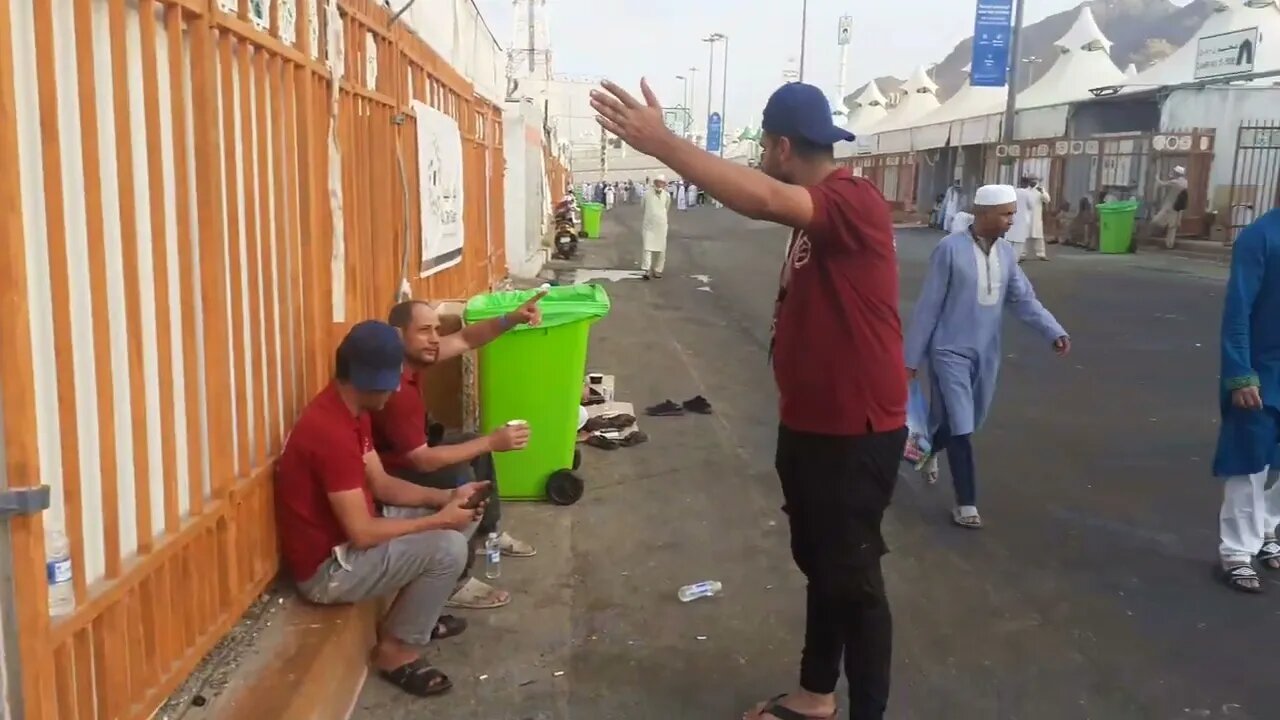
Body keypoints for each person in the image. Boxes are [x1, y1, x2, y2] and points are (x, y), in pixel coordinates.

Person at [592, 79, 907, 720]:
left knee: (854, 580)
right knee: (822, 565)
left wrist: (663, 144)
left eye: (762, 145)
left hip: (855, 429)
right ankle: (816, 694)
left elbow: (760, 198)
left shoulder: (851, 200)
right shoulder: (819, 207)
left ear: (782, 146)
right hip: (814, 425)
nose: (761, 157)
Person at [276, 321, 490, 698]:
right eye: (392, 379)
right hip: (329, 570)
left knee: (464, 516)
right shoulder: (329, 433)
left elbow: (383, 485)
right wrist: (439, 520)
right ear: (371, 379)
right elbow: (362, 532)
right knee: (448, 546)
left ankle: (418, 616)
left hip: (353, 541)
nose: (396, 388)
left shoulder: (350, 411)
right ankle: (396, 653)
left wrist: (447, 499)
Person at [904, 185, 1071, 530]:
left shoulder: (1007, 255)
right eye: (1007, 214)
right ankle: (966, 504)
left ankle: (929, 450)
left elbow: (1022, 299)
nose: (1013, 220)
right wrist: (910, 360)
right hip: (949, 351)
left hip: (986, 352)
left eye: (1013, 213)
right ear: (983, 214)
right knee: (962, 426)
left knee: (965, 420)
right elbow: (928, 306)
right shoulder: (949, 250)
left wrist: (1053, 330)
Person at [373, 296, 544, 610]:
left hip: (413, 454)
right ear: (398, 335)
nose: (435, 338)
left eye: (436, 329)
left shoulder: (413, 359)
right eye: (424, 330)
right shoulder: (395, 391)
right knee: (460, 474)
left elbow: (466, 338)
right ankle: (455, 582)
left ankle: (487, 536)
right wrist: (494, 442)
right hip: (390, 476)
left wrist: (512, 318)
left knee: (472, 446)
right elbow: (421, 460)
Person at [1213, 209, 1280, 593]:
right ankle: (1237, 552)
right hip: (1261, 369)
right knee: (1249, 460)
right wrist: (1240, 372)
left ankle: (1268, 522)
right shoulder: (1260, 237)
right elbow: (1238, 309)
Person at [641, 174, 673, 279]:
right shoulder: (646, 194)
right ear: (655, 183)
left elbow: (667, 208)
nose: (660, 184)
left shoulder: (667, 195)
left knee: (661, 249)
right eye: (658, 182)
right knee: (647, 247)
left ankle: (658, 270)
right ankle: (646, 270)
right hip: (649, 225)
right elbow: (643, 207)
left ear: (664, 184)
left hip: (661, 225)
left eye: (662, 183)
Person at [1152, 165, 1189, 249]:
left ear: (1177, 173)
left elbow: (1162, 184)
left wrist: (1157, 178)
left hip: (1170, 205)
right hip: (1178, 207)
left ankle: (1163, 226)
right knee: (1173, 227)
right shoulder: (1185, 182)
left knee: (1157, 220)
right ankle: (1169, 244)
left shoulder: (1175, 182)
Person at [1019, 177, 1052, 261]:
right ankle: (1022, 254)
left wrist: (1042, 192)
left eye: (1034, 181)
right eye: (1031, 180)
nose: (1033, 182)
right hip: (1026, 216)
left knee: (1039, 237)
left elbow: (1047, 200)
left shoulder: (1040, 190)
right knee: (1024, 236)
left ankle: (1041, 254)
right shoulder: (1025, 191)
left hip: (1036, 217)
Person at [1006, 176, 1031, 261]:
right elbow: (1031, 206)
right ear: (1027, 184)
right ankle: (1015, 260)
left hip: (1012, 216)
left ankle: (1007, 258)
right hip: (1023, 218)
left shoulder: (1013, 191)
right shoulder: (1027, 193)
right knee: (1019, 242)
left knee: (1009, 239)